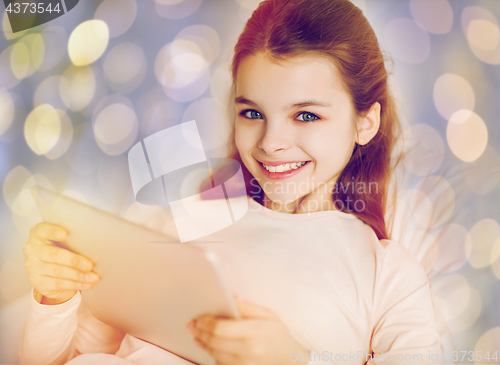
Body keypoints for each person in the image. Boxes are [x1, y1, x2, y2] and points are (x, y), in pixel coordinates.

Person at [20, 0, 444, 364]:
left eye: (307, 115)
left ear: (365, 122)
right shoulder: (191, 215)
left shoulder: (386, 274)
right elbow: (72, 353)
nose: (271, 143)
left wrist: (293, 357)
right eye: (253, 113)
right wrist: (54, 299)